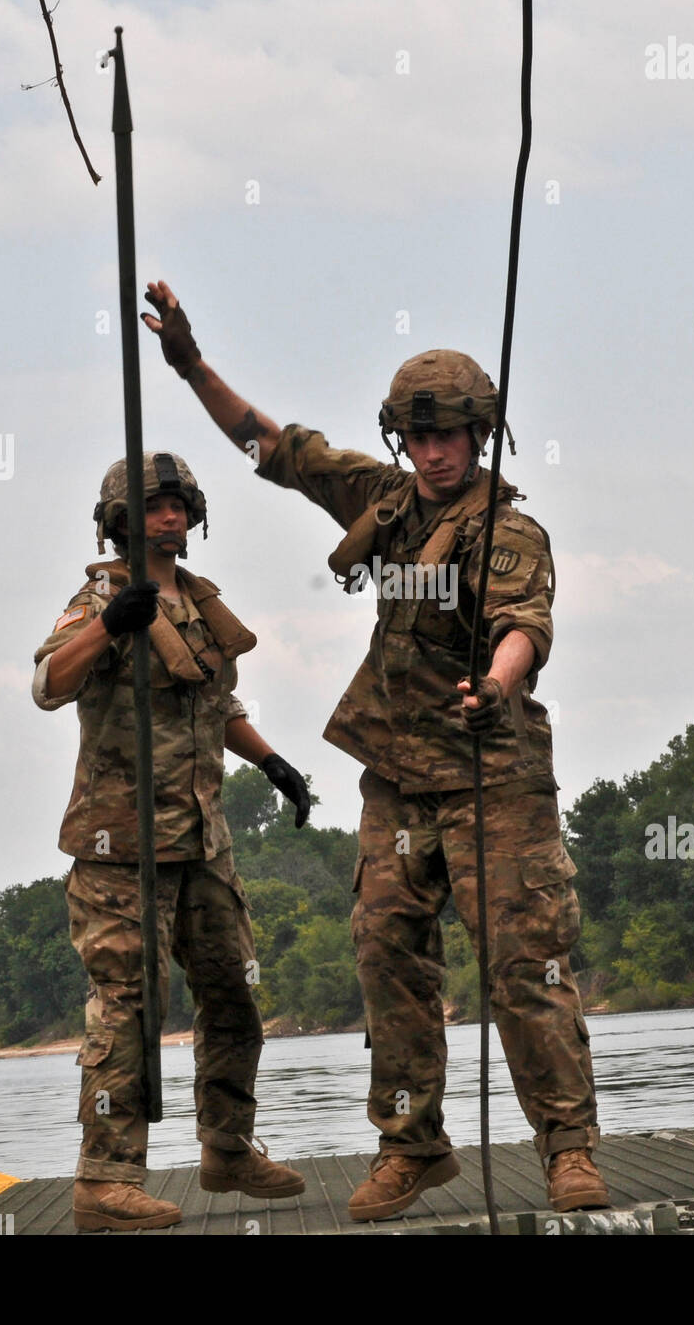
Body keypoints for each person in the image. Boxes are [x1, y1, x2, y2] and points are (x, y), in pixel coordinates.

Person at [140, 282, 609, 1223]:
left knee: (525, 964)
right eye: (419, 436)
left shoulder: (507, 531)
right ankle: (411, 1146)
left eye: (450, 436)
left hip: (493, 778)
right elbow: (272, 449)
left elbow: (526, 627)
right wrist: (191, 363)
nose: (434, 453)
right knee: (386, 954)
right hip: (397, 778)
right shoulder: (385, 500)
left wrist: (498, 685)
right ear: (403, 439)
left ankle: (566, 1149)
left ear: (481, 437)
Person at [33, 450, 312, 1231]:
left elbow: (216, 706)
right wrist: (106, 629)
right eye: (155, 505)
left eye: (181, 504)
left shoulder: (195, 603)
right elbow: (49, 684)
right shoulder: (102, 597)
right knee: (127, 1010)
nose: (171, 516)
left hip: (201, 845)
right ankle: (105, 1181)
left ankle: (228, 1147)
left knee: (233, 997)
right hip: (119, 850)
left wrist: (274, 761)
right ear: (121, 518)